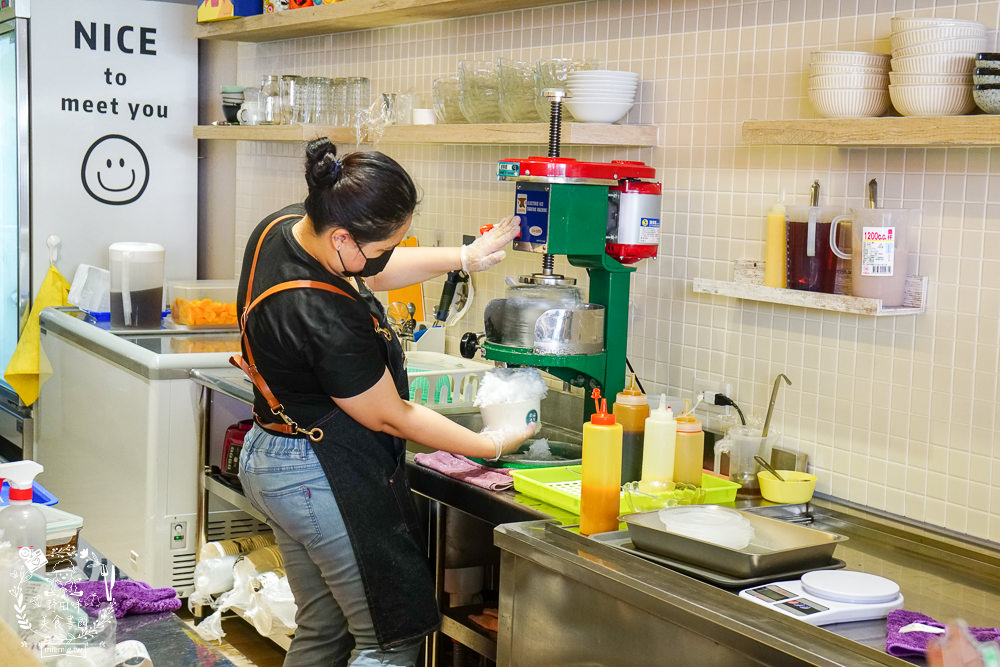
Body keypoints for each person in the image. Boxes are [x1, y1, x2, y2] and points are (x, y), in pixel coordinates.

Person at [235, 137, 536, 667]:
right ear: (344, 237)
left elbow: (366, 267)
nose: (386, 257)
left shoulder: (286, 228)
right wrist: (487, 442)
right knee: (389, 637)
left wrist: (463, 258)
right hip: (317, 474)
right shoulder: (320, 313)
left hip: (272, 455)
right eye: (382, 247)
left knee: (325, 625)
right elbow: (389, 413)